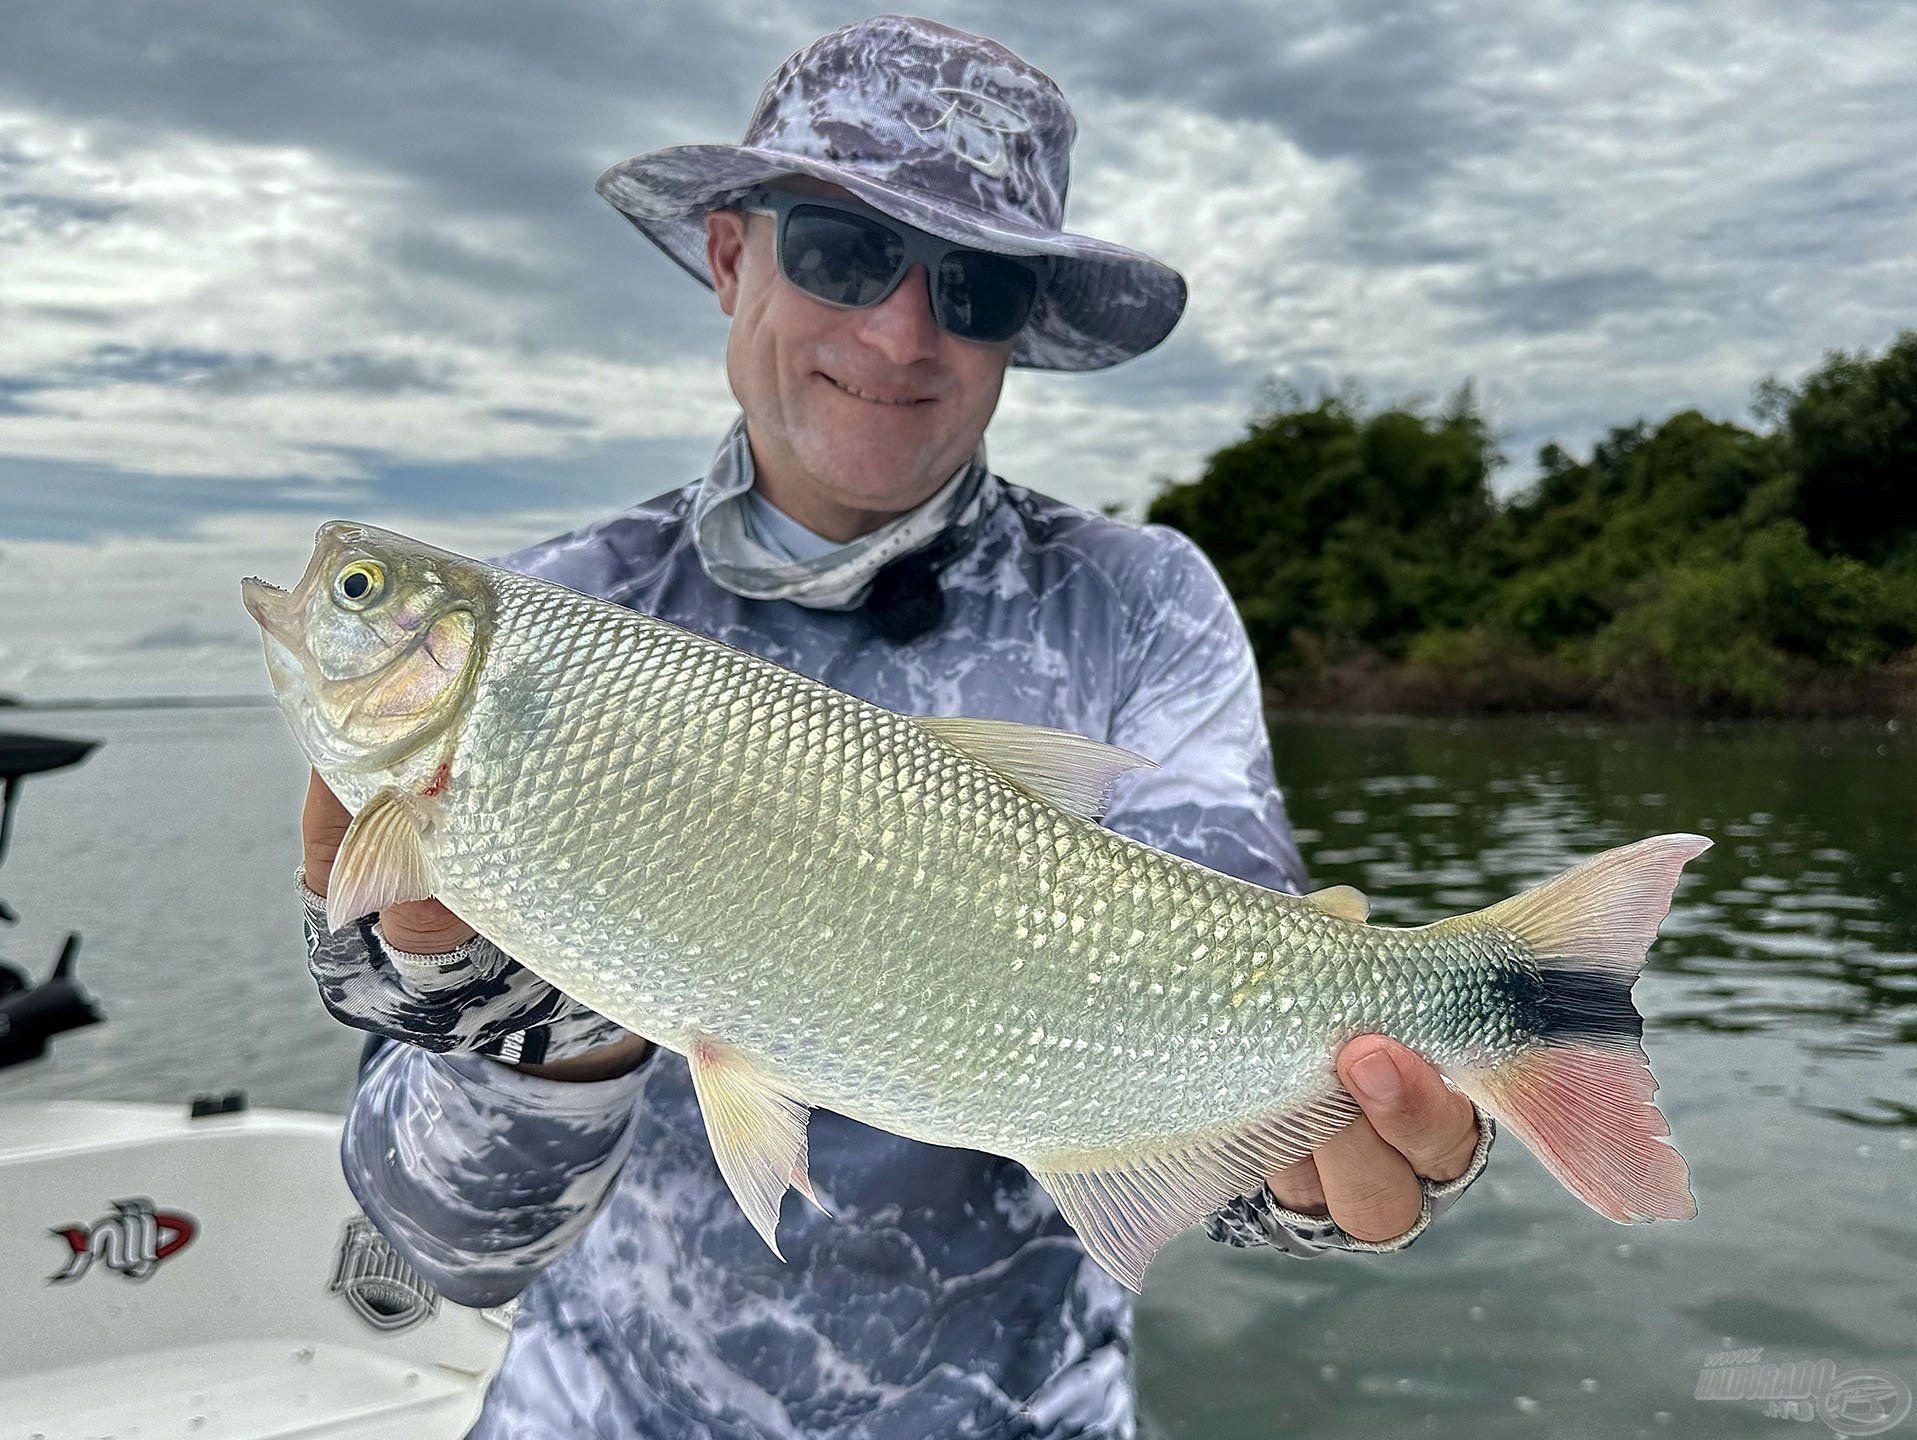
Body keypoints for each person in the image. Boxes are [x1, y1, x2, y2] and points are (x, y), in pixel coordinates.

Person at [296, 16, 1494, 1437]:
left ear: (1016, 326)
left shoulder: (1139, 604)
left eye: (971, 283)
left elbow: (1231, 1093)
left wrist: (1331, 1157)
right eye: (844, 253)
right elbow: (447, 1251)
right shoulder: (548, 622)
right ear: (732, 256)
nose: (899, 331)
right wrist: (551, 1027)